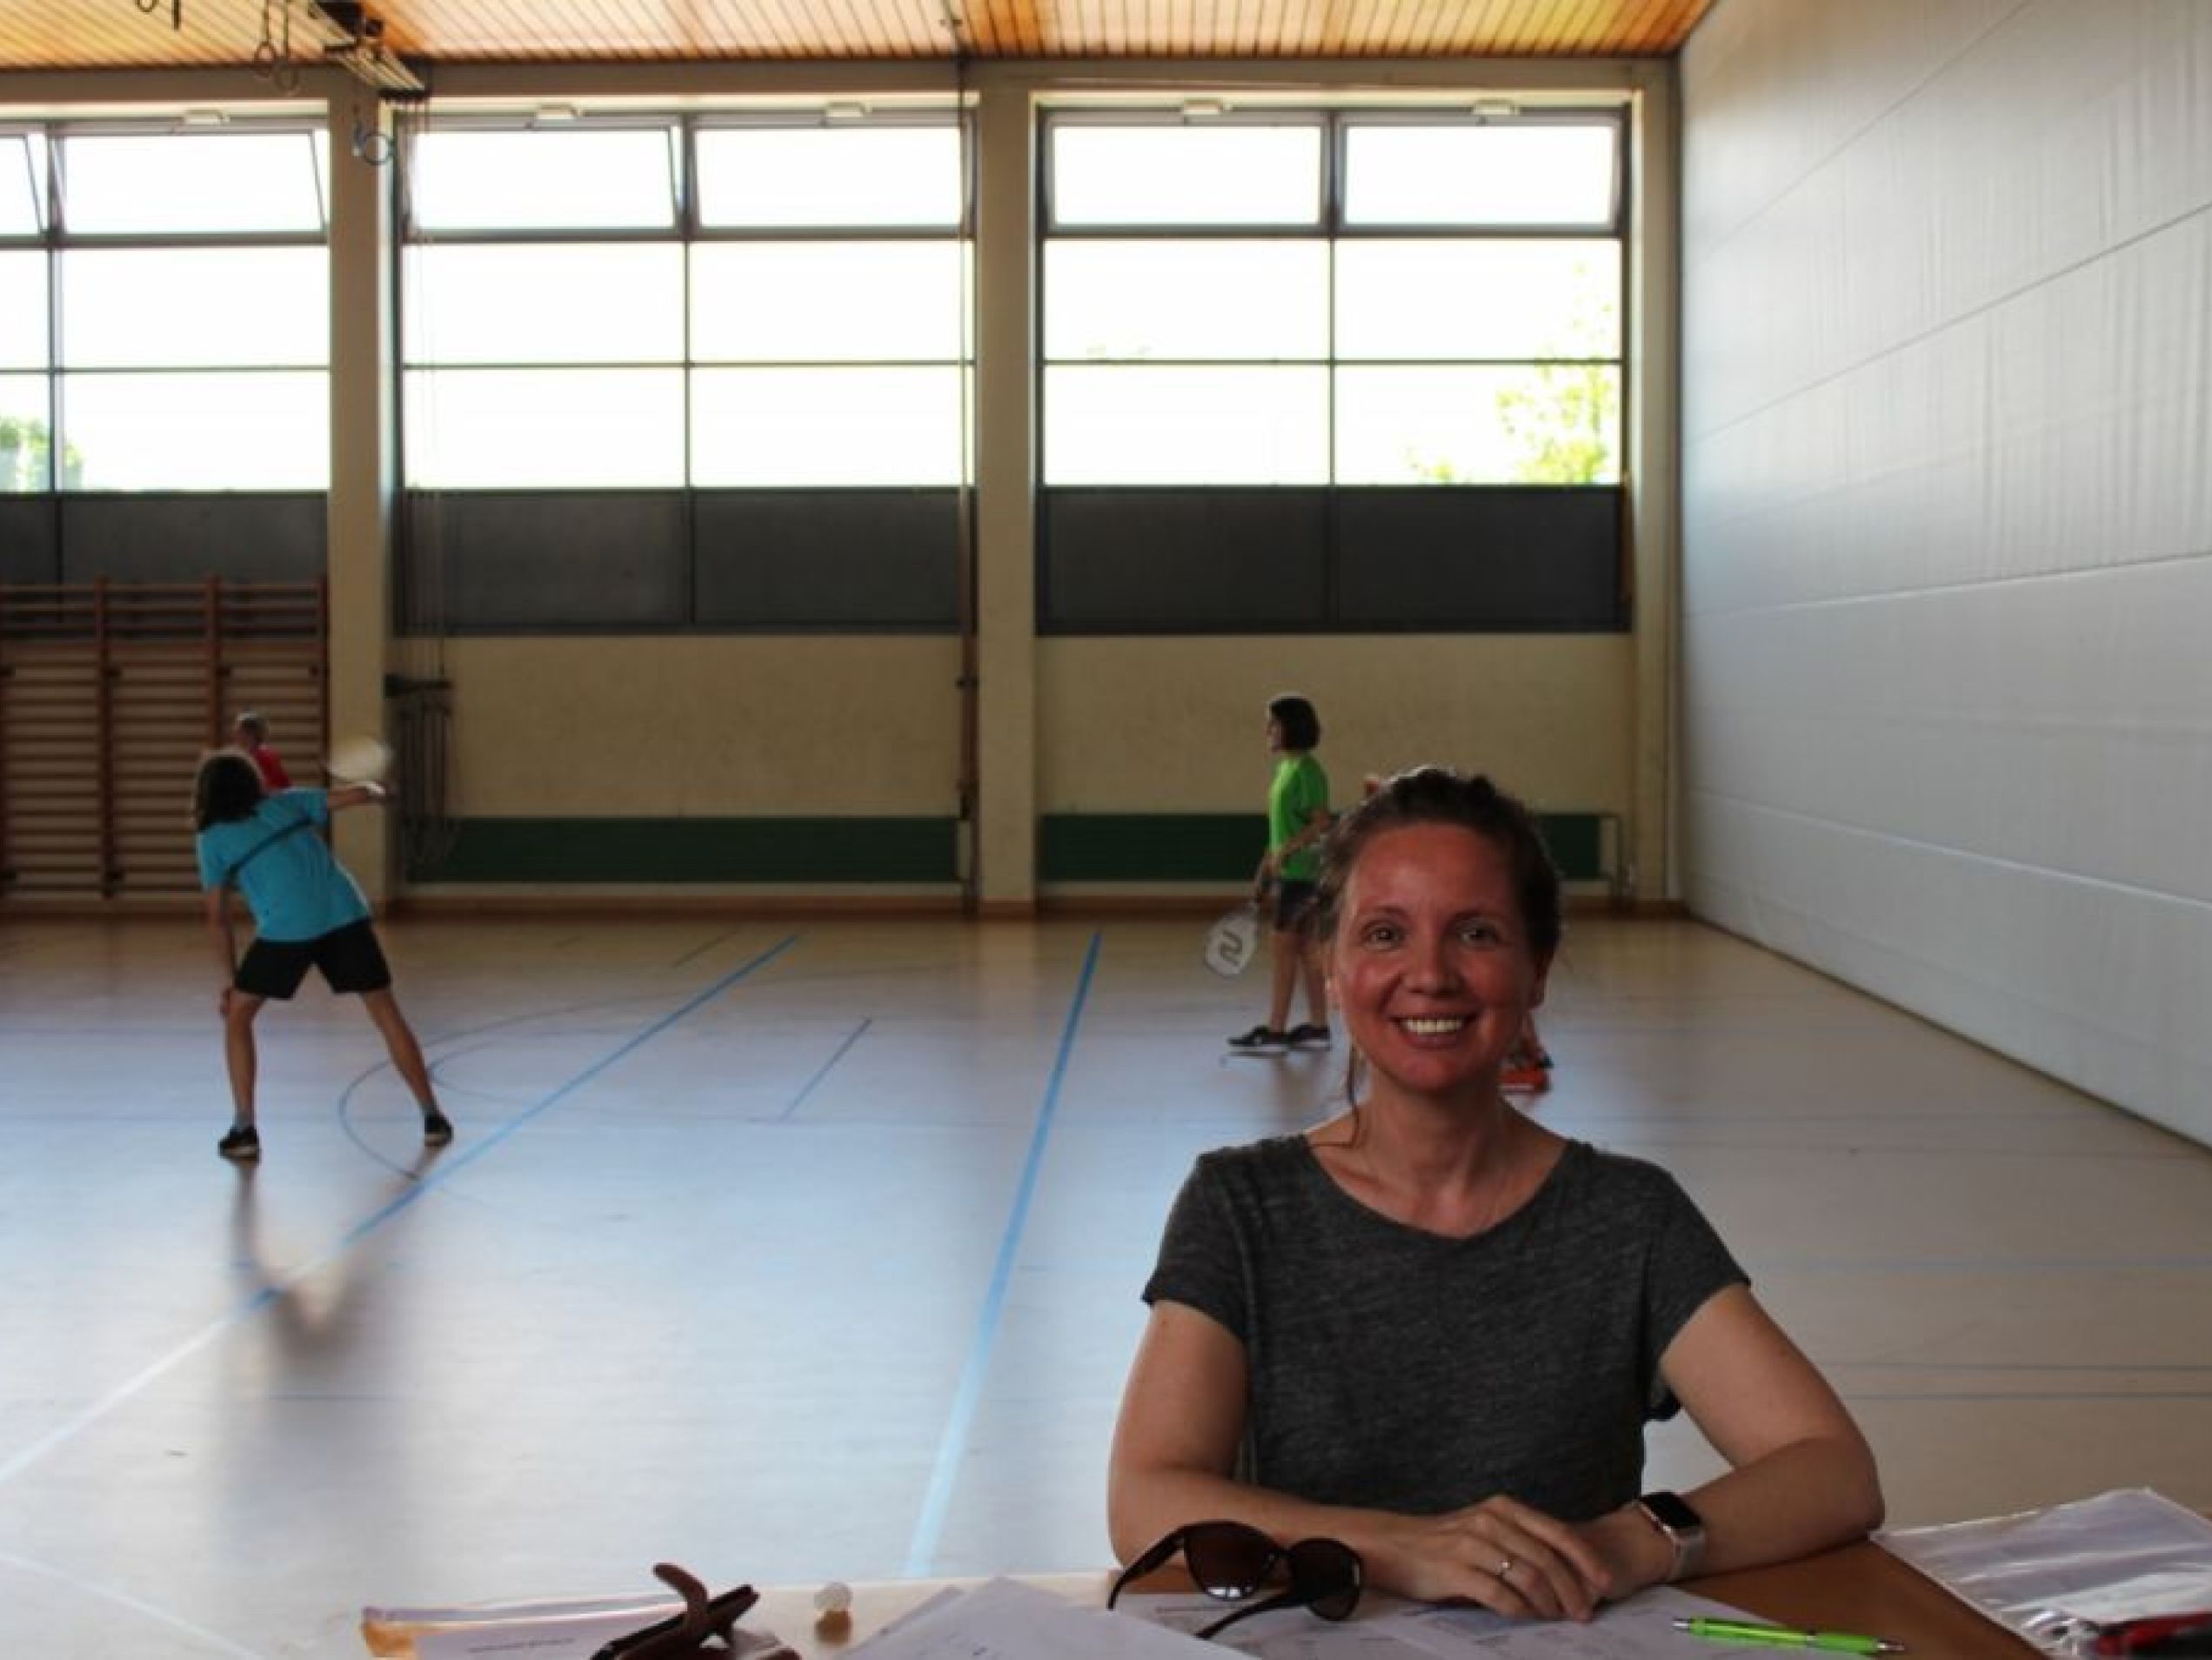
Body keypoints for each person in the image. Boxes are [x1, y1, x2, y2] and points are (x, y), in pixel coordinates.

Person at [1112, 766, 1882, 1621]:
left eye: (1475, 933)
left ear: (1536, 968)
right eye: (1383, 935)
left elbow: (1831, 1470)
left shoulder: (1627, 1219)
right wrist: (1400, 1547)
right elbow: (1145, 1497)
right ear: (1331, 968)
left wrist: (1630, 1542)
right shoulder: (1240, 1207)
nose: (1428, 973)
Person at [193, 749, 453, 1162]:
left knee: (238, 1017)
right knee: (385, 1012)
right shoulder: (287, 803)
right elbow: (358, 795)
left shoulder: (212, 839)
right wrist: (379, 790)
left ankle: (244, 1128)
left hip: (286, 928)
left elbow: (217, 917)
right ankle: (432, 1117)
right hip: (344, 914)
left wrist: (230, 979)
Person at [1226, 693, 1333, 1055]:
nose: (1267, 730)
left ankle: (1275, 1032)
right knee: (1305, 950)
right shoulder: (1284, 769)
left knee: (1284, 950)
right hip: (1288, 872)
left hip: (1304, 874)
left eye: (1273, 723)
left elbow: (1321, 823)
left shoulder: (1308, 771)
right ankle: (1318, 1028)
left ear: (1291, 726)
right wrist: (1265, 866)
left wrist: (1286, 852)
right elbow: (1281, 828)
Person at [231, 711, 291, 792]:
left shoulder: (261, 756)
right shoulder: (258, 753)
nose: (234, 735)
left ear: (250, 733)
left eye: (238, 731)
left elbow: (266, 787)